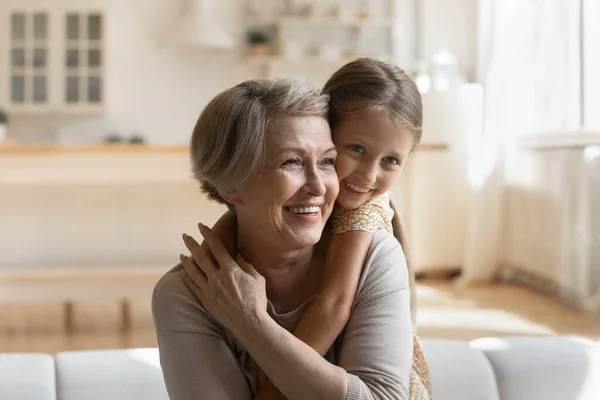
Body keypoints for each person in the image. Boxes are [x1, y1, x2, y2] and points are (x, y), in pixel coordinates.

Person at [152, 76, 415, 399]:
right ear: (232, 185)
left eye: (327, 162)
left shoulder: (375, 257)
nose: (318, 187)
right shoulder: (185, 294)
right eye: (291, 162)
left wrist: (253, 324)